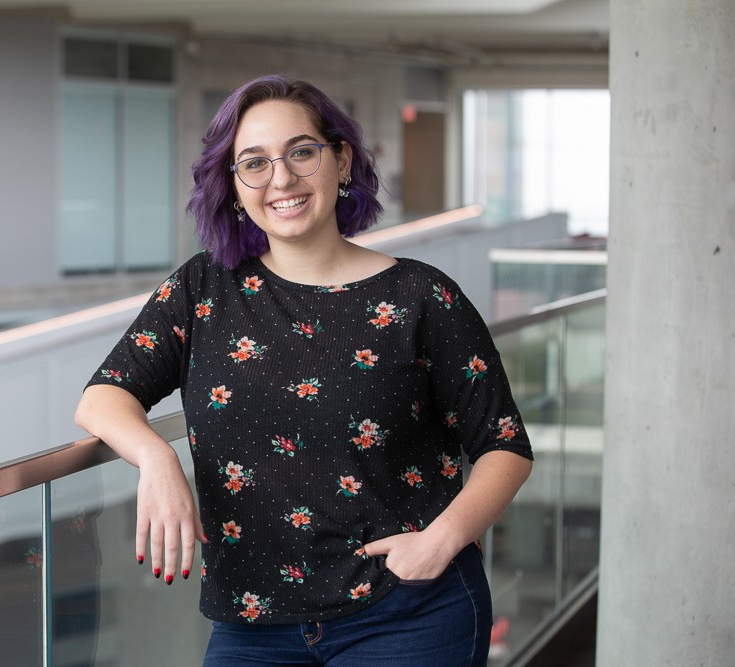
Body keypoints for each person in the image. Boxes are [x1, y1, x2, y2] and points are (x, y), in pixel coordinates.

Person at [74, 74, 533, 666]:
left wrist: (442, 541)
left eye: (301, 153)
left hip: (406, 608)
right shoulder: (204, 287)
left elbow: (505, 445)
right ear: (234, 187)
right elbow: (103, 396)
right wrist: (158, 459)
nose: (281, 179)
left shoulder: (422, 296)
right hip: (251, 624)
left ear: (341, 161)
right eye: (254, 163)